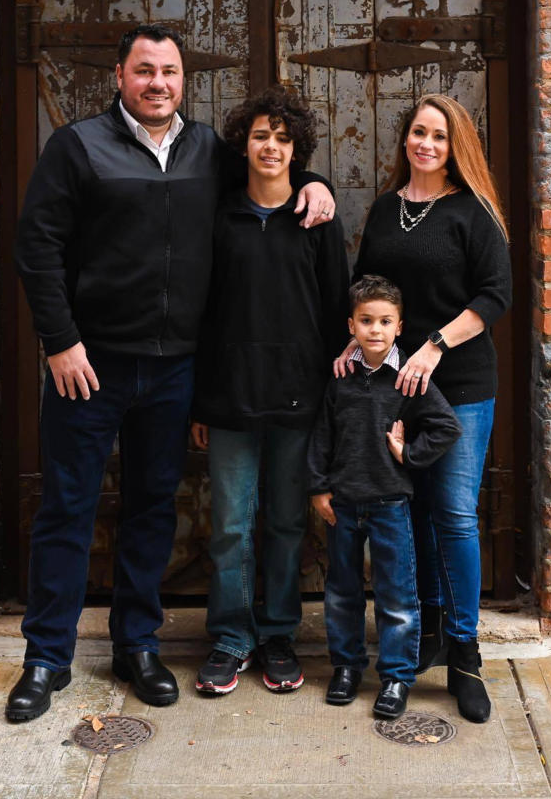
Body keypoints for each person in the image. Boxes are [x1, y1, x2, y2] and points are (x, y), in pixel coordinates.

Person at [7, 25, 335, 722]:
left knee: (153, 512)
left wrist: (315, 184)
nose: (158, 83)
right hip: (87, 366)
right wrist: (60, 341)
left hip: (172, 368)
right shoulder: (79, 147)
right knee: (67, 508)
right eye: (144, 70)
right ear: (120, 76)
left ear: (185, 80)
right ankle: (45, 658)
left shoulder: (206, 150)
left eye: (170, 72)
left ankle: (136, 645)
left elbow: (269, 174)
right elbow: (36, 247)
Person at [337, 93, 511, 724]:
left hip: (459, 386)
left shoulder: (474, 212)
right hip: (394, 391)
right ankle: (427, 632)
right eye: (418, 133)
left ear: (455, 145)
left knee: (456, 515)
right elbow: (367, 290)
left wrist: (435, 345)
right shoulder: (386, 210)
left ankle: (465, 654)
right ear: (405, 139)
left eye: (439, 136)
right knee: (409, 514)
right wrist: (351, 348)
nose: (426, 145)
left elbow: (497, 295)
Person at [189, 86, 349, 697]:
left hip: (298, 400)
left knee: (285, 522)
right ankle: (231, 637)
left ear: (297, 149)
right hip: (230, 398)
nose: (272, 147)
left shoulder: (316, 221)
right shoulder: (221, 218)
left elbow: (339, 312)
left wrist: (332, 402)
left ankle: (279, 633)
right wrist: (201, 401)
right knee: (231, 524)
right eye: (261, 136)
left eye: (283, 139)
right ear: (243, 145)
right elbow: (203, 315)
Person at [309, 275, 461, 719]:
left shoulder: (407, 380)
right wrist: (319, 488)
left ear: (399, 327)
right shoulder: (340, 378)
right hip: (343, 503)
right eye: (366, 321)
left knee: (397, 595)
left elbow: (446, 427)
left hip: (391, 503)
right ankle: (346, 668)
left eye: (384, 321)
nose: (375, 329)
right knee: (342, 592)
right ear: (351, 325)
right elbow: (321, 435)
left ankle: (396, 677)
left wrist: (408, 453)